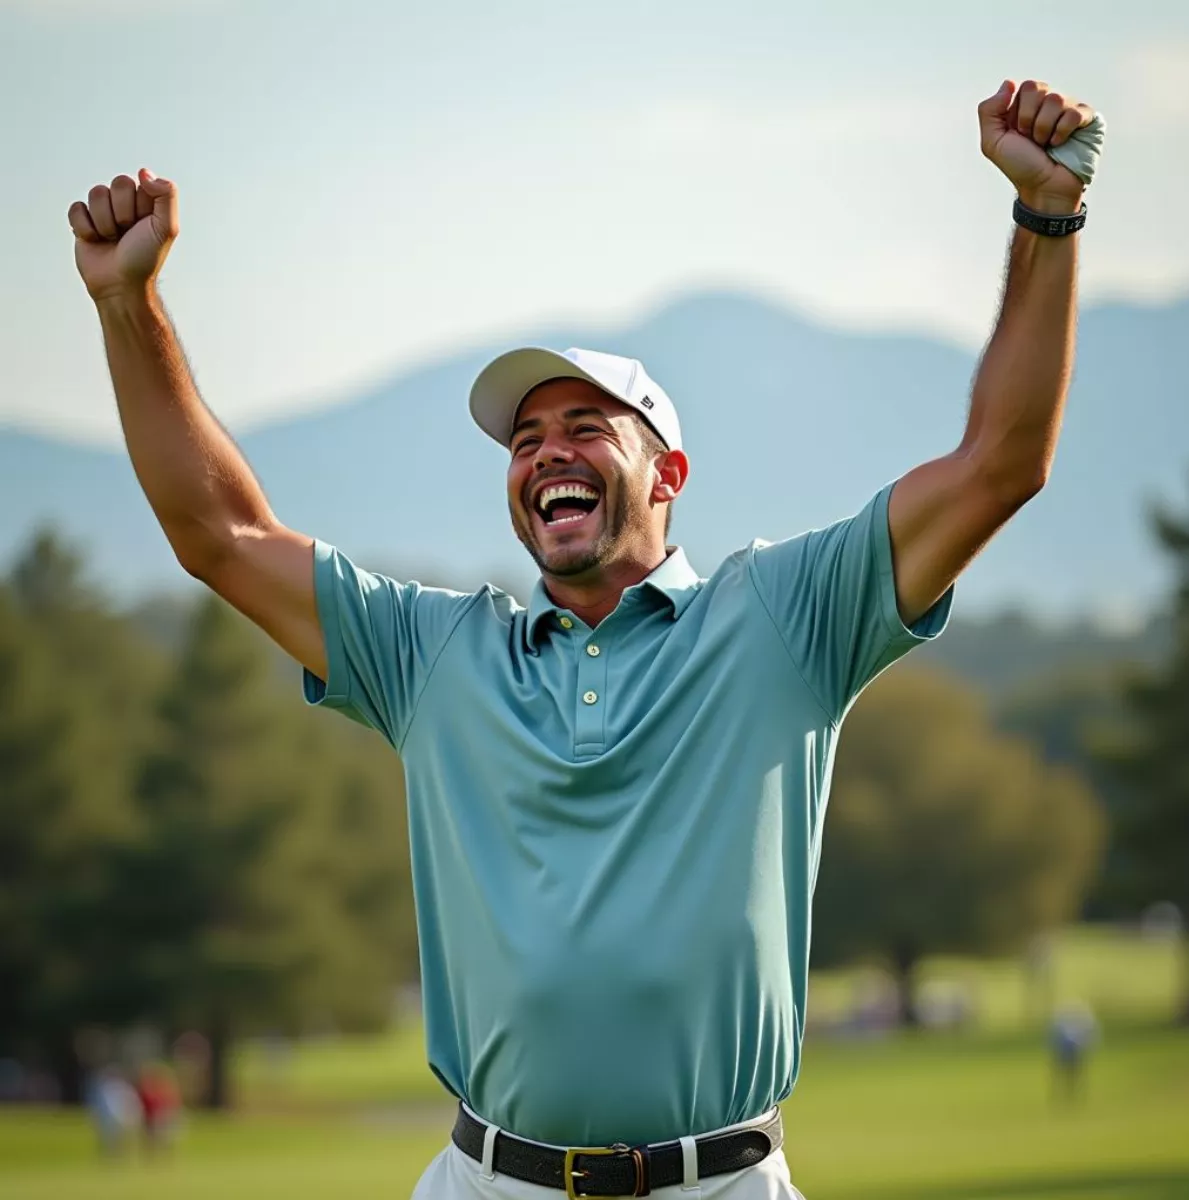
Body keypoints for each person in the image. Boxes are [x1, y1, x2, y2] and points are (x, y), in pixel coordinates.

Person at [68, 77, 1102, 1199]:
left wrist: (1046, 218)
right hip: (487, 1181)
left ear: (668, 476)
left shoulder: (787, 618)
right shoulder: (431, 656)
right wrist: (129, 305)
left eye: (583, 429)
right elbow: (219, 534)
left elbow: (1002, 464)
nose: (545, 453)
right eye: (524, 439)